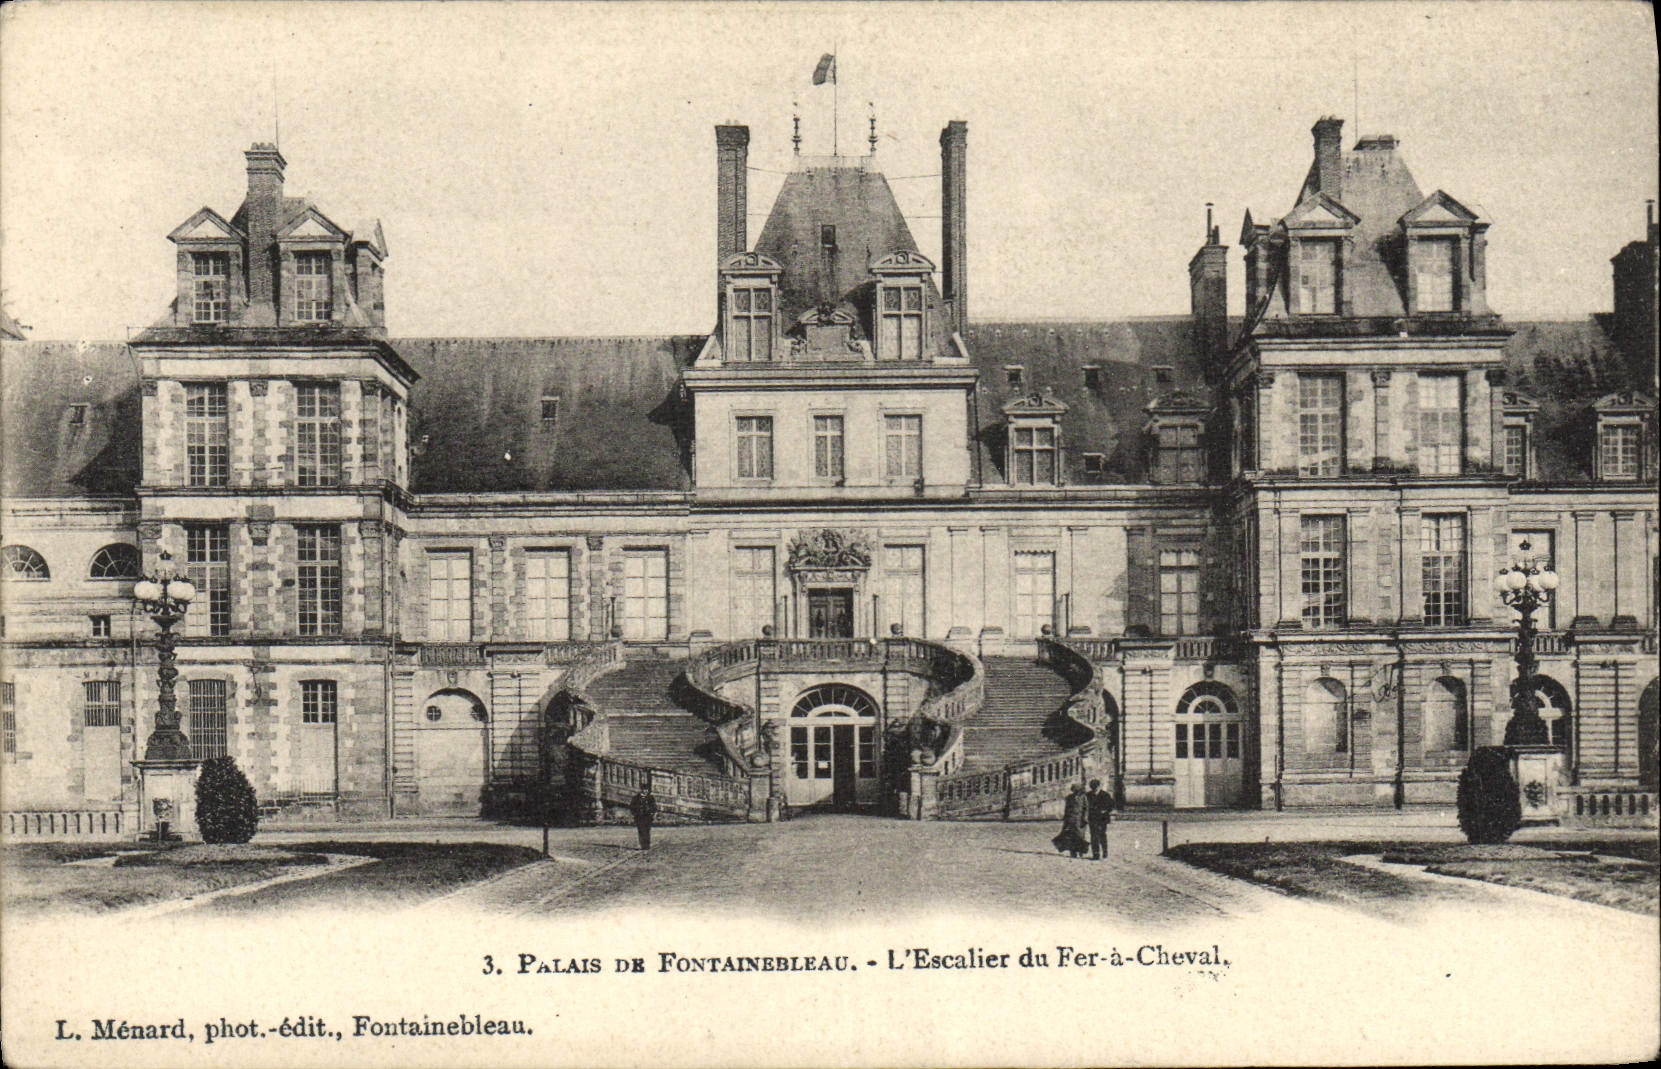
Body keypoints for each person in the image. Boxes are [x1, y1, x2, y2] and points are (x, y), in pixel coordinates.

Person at [1053, 782, 1089, 859]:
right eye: (1074, 790)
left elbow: (1086, 809)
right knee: (1071, 836)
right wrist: (1065, 818)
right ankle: (1073, 852)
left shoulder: (1083, 797)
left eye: (1077, 790)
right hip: (1070, 819)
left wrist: (1085, 818)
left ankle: (1081, 851)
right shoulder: (1069, 797)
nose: (1075, 791)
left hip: (1080, 820)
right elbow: (1067, 808)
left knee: (1080, 836)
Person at [1085, 778, 1115, 860]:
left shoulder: (1105, 795)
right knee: (1093, 836)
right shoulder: (1088, 795)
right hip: (1093, 818)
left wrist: (1106, 810)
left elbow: (1112, 805)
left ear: (1098, 786)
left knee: (1102, 835)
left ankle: (1105, 852)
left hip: (1102, 819)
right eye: (1092, 787)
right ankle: (1096, 854)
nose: (1094, 789)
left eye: (1095, 787)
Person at [629, 785, 656, 851]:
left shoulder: (650, 798)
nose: (646, 791)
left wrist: (652, 813)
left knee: (647, 830)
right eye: (644, 790)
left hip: (648, 817)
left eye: (647, 790)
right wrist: (635, 814)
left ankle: (647, 845)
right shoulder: (636, 798)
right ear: (641, 790)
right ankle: (642, 844)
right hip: (639, 817)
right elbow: (632, 807)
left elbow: (654, 806)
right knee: (641, 830)